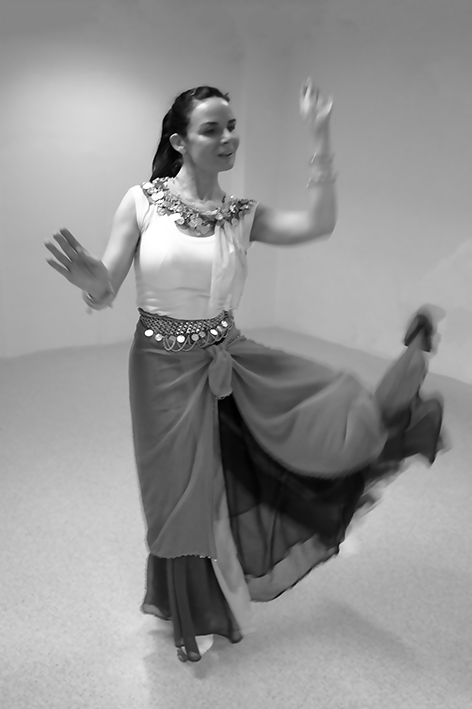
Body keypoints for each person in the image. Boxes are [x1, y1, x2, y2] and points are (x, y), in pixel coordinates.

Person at [45, 80, 450, 664]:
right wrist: (93, 281)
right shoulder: (141, 202)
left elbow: (319, 223)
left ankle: (211, 599)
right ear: (179, 141)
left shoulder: (241, 214)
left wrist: (320, 134)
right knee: (174, 495)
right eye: (212, 129)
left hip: (228, 356)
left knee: (324, 410)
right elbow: (107, 284)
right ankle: (188, 604)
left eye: (232, 127)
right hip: (159, 369)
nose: (228, 138)